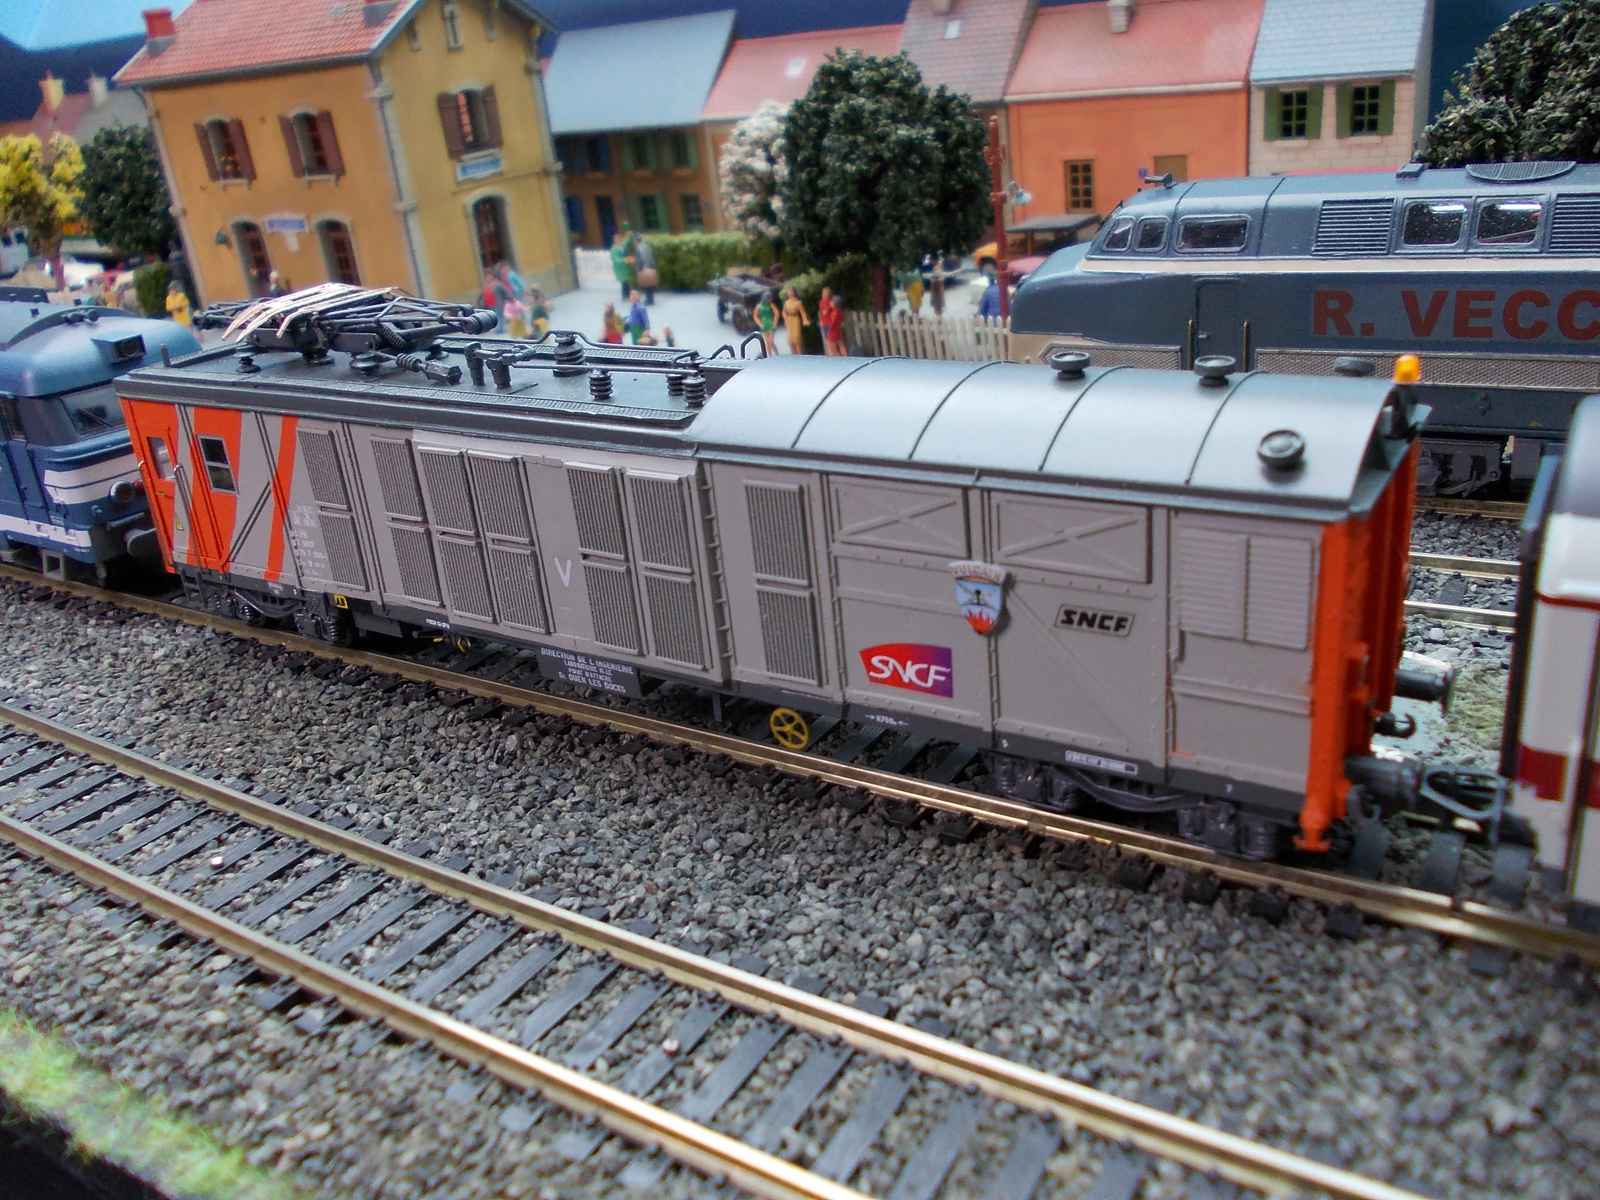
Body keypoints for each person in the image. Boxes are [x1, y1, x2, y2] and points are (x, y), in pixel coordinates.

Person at [781, 286, 810, 355]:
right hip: (789, 320)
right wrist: (785, 318)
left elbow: (803, 312)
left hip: (795, 320)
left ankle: (800, 354)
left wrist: (805, 320)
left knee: (797, 338)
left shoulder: (798, 302)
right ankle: (793, 354)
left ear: (794, 293)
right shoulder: (786, 302)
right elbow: (783, 312)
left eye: (791, 292)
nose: (790, 293)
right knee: (790, 340)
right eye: (789, 292)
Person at [610, 233, 635, 300]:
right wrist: (626, 260)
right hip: (620, 269)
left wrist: (629, 235)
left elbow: (626, 241)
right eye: (617, 239)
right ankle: (625, 296)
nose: (619, 240)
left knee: (626, 282)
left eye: (619, 239)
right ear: (614, 240)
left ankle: (627, 295)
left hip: (625, 268)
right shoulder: (614, 249)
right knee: (624, 282)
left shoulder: (622, 246)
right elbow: (616, 260)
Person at [753, 291, 779, 356]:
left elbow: (777, 314)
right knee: (768, 342)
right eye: (769, 298)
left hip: (771, 324)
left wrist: (774, 323)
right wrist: (760, 324)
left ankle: (776, 354)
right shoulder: (759, 306)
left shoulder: (771, 305)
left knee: (770, 341)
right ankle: (771, 355)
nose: (770, 300)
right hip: (764, 325)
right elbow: (755, 316)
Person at [634, 235, 657, 305]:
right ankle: (651, 299)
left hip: (644, 268)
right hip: (650, 267)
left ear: (636, 241)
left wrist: (639, 269)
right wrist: (653, 267)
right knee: (650, 284)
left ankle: (649, 300)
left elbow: (639, 260)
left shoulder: (638, 248)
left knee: (646, 285)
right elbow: (651, 256)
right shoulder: (647, 246)